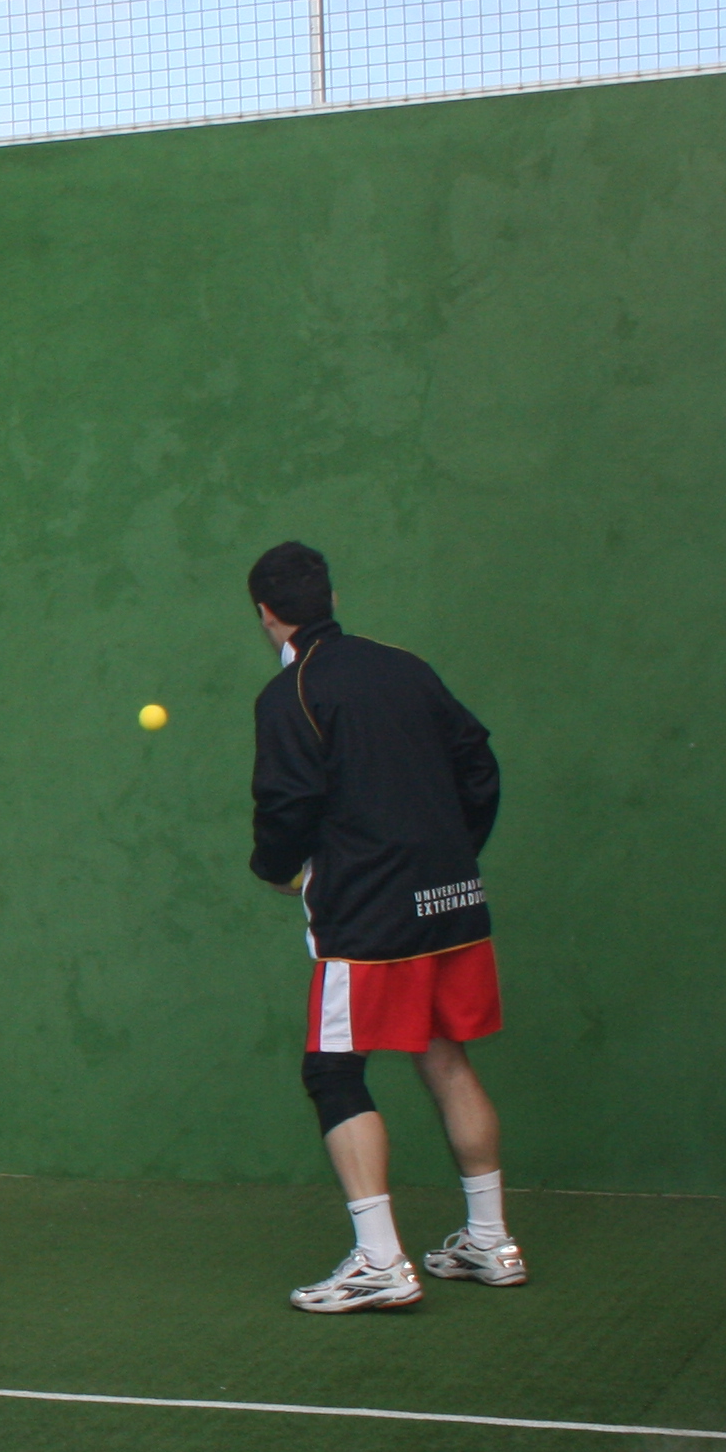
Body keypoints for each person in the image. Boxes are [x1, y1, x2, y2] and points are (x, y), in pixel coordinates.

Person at [244, 542, 522, 1313]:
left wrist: (275, 867)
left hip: (368, 917)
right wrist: (453, 850)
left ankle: (379, 1262)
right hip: (452, 902)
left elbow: (287, 805)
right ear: (330, 598)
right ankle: (491, 1242)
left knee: (333, 1072)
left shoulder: (290, 693)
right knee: (443, 1054)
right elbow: (477, 763)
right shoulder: (406, 667)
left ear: (266, 614)